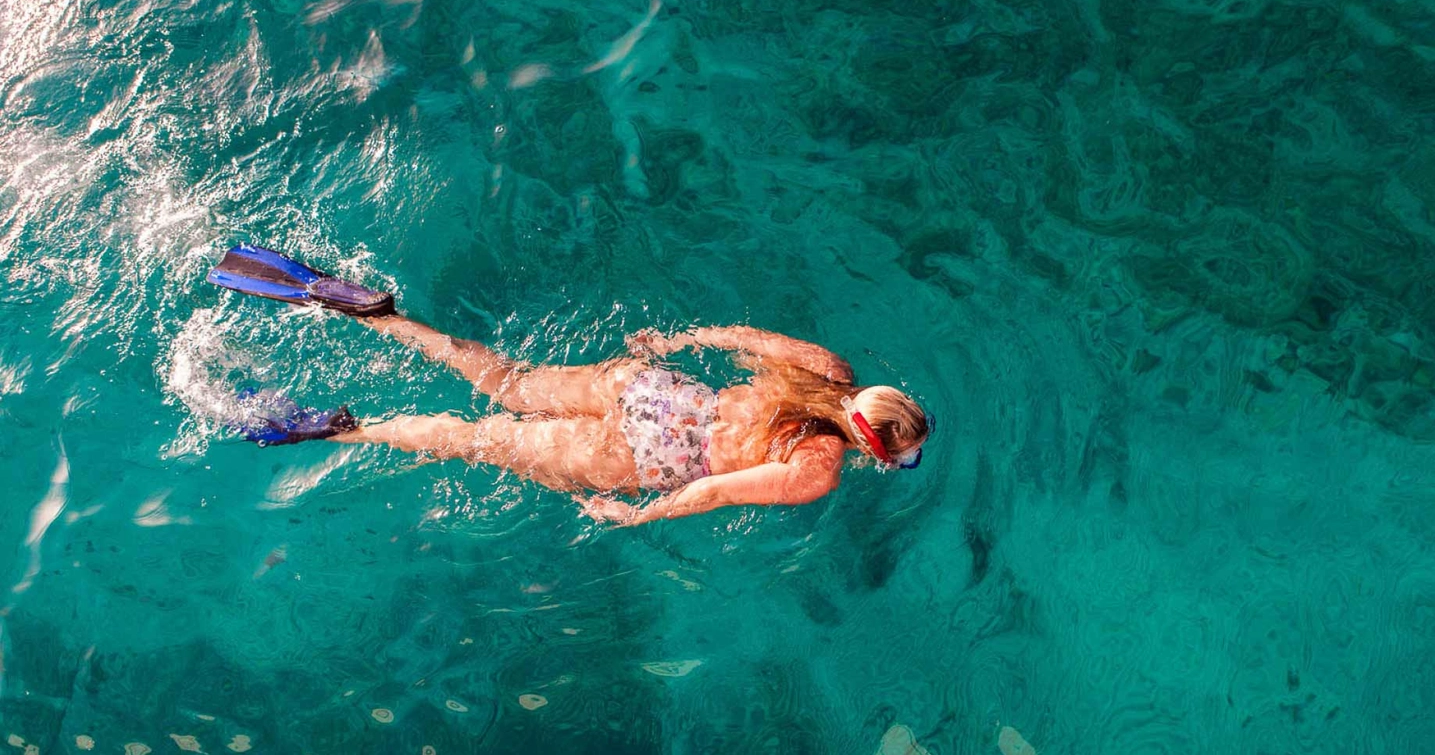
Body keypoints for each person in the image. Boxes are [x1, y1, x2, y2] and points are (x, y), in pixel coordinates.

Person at [207, 244, 932, 526]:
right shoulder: (817, 470)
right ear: (873, 448)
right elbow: (712, 492)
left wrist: (677, 342)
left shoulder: (829, 368)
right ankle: (347, 430)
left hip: (654, 392)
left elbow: (740, 337)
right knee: (479, 441)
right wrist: (638, 517)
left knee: (510, 382)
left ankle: (382, 317)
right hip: (651, 458)